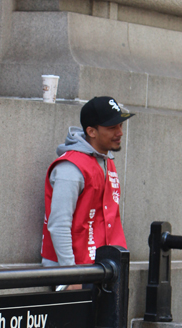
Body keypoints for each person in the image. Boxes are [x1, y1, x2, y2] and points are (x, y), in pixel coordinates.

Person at [41, 96, 134, 285]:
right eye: (112, 127)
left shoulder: (106, 161)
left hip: (103, 269)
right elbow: (59, 224)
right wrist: (70, 277)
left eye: (120, 126)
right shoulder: (71, 168)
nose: (120, 132)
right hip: (77, 274)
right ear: (91, 131)